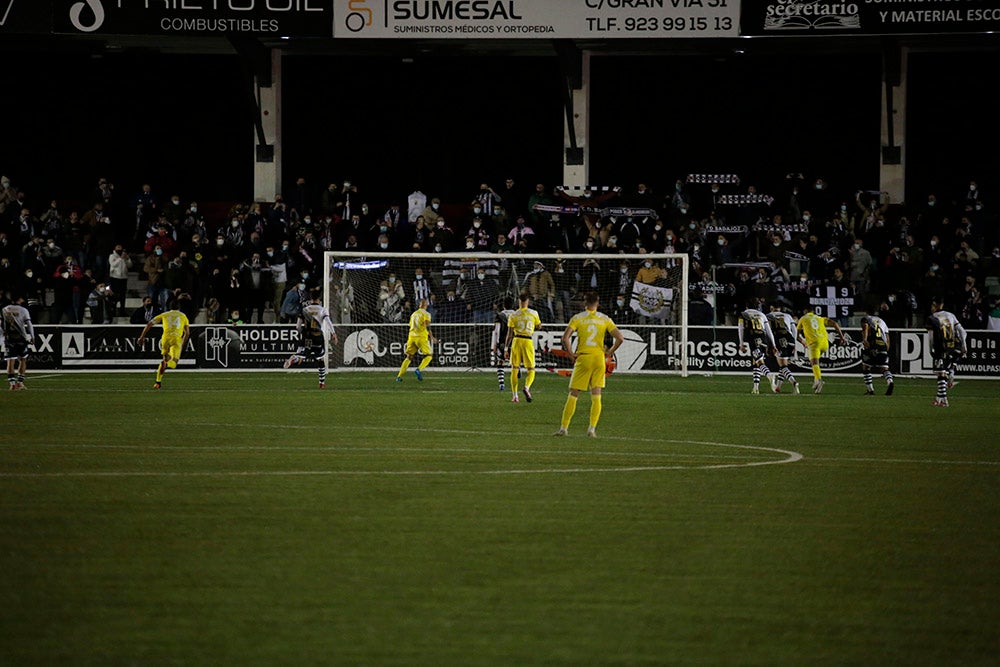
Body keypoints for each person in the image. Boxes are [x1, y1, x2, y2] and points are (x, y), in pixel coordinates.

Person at [553, 291, 625, 438]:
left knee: (573, 394)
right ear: (597, 303)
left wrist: (571, 353)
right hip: (599, 359)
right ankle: (591, 429)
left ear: (584, 303)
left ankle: (564, 428)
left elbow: (565, 338)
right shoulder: (605, 319)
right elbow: (620, 338)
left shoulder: (578, 318)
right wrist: (609, 352)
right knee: (596, 395)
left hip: (583, 358)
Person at [283, 289, 339, 389]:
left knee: (301, 357)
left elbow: (298, 326)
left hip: (307, 336)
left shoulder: (305, 309)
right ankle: (322, 383)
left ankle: (293, 359)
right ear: (319, 299)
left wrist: (303, 333)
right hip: (318, 336)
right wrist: (333, 333)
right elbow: (328, 321)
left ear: (311, 298)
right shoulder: (323, 309)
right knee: (320, 359)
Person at [137, 294, 192, 390]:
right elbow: (187, 333)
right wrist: (182, 344)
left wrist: (142, 337)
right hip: (176, 339)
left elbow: (149, 324)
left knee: (164, 360)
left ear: (169, 307)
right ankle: (167, 365)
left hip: (165, 339)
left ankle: (158, 382)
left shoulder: (164, 315)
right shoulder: (183, 316)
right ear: (179, 307)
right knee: (173, 363)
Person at [926, 297, 968, 407]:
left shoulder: (932, 318)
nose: (931, 308)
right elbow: (962, 331)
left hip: (940, 347)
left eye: (932, 305)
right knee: (943, 371)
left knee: (940, 372)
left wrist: (931, 349)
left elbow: (930, 337)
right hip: (952, 346)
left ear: (935, 305)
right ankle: (941, 399)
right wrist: (964, 345)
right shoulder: (951, 315)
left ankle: (943, 400)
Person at [504, 292, 542, 404]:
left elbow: (509, 333)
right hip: (527, 341)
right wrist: (537, 325)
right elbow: (539, 326)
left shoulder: (514, 315)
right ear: (528, 301)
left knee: (514, 368)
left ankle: (515, 396)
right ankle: (526, 387)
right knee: (531, 369)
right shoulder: (534, 313)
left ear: (519, 302)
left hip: (516, 341)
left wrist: (506, 348)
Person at [796, 308, 846, 394]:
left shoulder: (803, 318)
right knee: (815, 362)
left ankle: (819, 380)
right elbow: (835, 323)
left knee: (814, 363)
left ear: (805, 312)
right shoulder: (820, 318)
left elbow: (796, 335)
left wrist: (803, 342)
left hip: (814, 343)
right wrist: (841, 337)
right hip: (825, 344)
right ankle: (816, 380)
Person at [738, 304, 778, 395]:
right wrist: (773, 345)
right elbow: (769, 331)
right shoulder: (762, 315)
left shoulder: (744, 314)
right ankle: (756, 388)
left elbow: (740, 328)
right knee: (756, 362)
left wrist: (741, 343)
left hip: (753, 338)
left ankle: (769, 375)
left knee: (759, 362)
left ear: (747, 307)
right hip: (762, 339)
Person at [396, 298, 438, 382]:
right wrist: (432, 337)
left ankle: (399, 377)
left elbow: (411, 325)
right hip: (421, 337)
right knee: (429, 355)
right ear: (426, 305)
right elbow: (427, 325)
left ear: (419, 305)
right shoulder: (426, 314)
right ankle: (418, 369)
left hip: (411, 337)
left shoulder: (414, 314)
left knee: (409, 357)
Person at [765, 304, 801, 394]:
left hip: (779, 339)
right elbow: (794, 330)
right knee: (784, 365)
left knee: (782, 366)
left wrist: (770, 345)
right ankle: (778, 387)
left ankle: (794, 382)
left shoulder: (768, 316)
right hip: (790, 339)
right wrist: (795, 343)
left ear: (771, 308)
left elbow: (767, 331)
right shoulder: (787, 316)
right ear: (780, 308)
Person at [2, 295, 35, 390]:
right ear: (20, 299)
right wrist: (32, 336)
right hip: (21, 338)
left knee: (10, 361)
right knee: (23, 360)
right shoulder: (23, 310)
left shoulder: (4, 309)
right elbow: (29, 324)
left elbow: (1, 324)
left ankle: (12, 384)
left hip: (9, 338)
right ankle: (20, 383)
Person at [859, 313, 895, 396]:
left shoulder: (866, 319)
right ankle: (890, 382)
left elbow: (865, 327)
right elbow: (887, 338)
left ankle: (870, 390)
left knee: (866, 367)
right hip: (883, 346)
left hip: (872, 344)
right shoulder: (882, 322)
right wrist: (886, 349)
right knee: (884, 368)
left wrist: (864, 339)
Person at [491, 295, 516, 391]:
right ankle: (518, 374)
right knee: (515, 362)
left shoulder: (500, 315)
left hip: (502, 342)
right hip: (515, 341)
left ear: (504, 306)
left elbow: (496, 331)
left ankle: (501, 384)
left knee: (501, 361)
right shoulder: (517, 315)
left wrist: (494, 344)